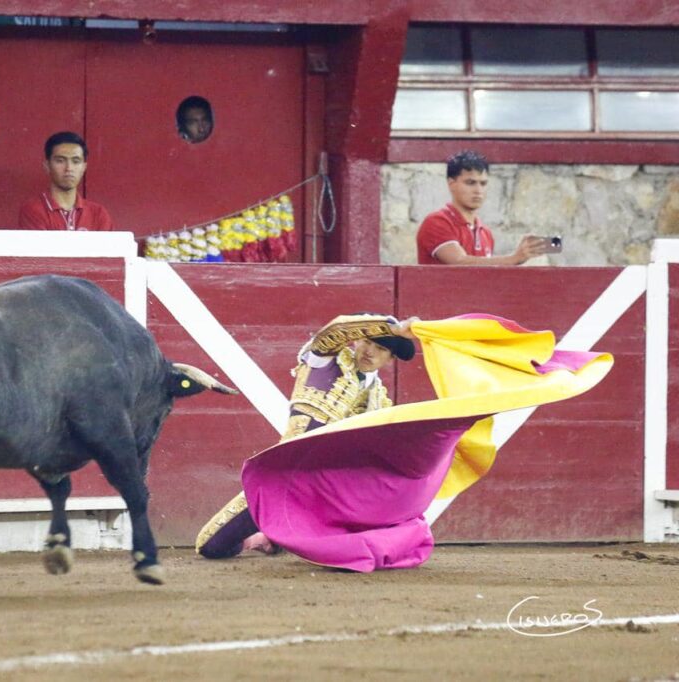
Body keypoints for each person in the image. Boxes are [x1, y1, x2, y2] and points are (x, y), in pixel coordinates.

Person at [196, 313, 417, 558]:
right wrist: (394, 329)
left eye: (380, 348)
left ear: (390, 358)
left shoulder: (378, 398)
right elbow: (337, 329)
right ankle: (263, 538)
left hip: (327, 490)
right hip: (285, 476)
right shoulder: (325, 359)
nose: (369, 352)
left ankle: (286, 536)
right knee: (211, 546)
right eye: (366, 341)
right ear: (355, 340)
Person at [416, 150, 547, 265]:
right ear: (451, 184)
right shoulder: (436, 222)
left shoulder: (486, 233)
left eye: (483, 183)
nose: (478, 190)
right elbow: (459, 261)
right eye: (470, 183)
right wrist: (513, 259)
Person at [17, 131, 114, 231]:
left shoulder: (98, 214)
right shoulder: (34, 210)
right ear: (47, 166)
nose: (69, 168)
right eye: (60, 160)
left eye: (76, 161)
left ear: (84, 167)